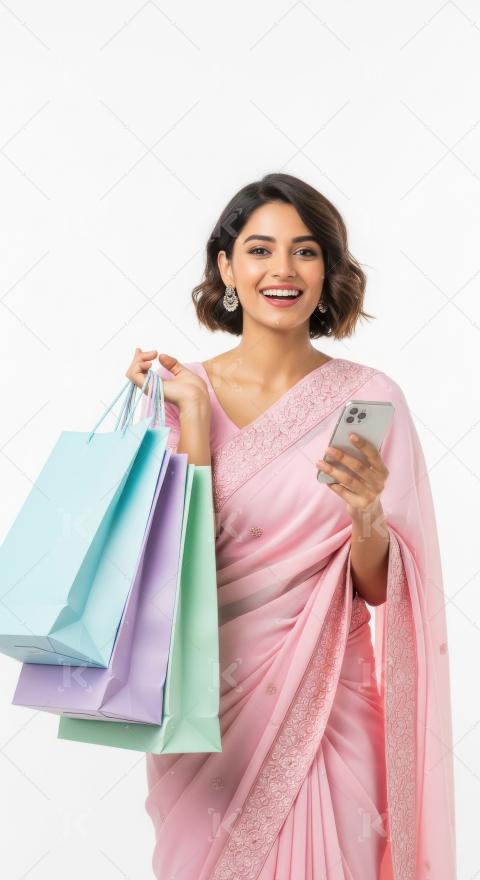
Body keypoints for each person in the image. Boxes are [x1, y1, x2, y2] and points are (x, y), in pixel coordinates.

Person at [128, 172, 457, 879]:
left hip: (332, 713)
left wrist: (367, 511)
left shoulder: (368, 398)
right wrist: (191, 426)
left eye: (306, 252)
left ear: (329, 270)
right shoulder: (180, 392)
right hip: (204, 713)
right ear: (225, 267)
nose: (282, 270)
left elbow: (378, 591)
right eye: (259, 250)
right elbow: (163, 570)